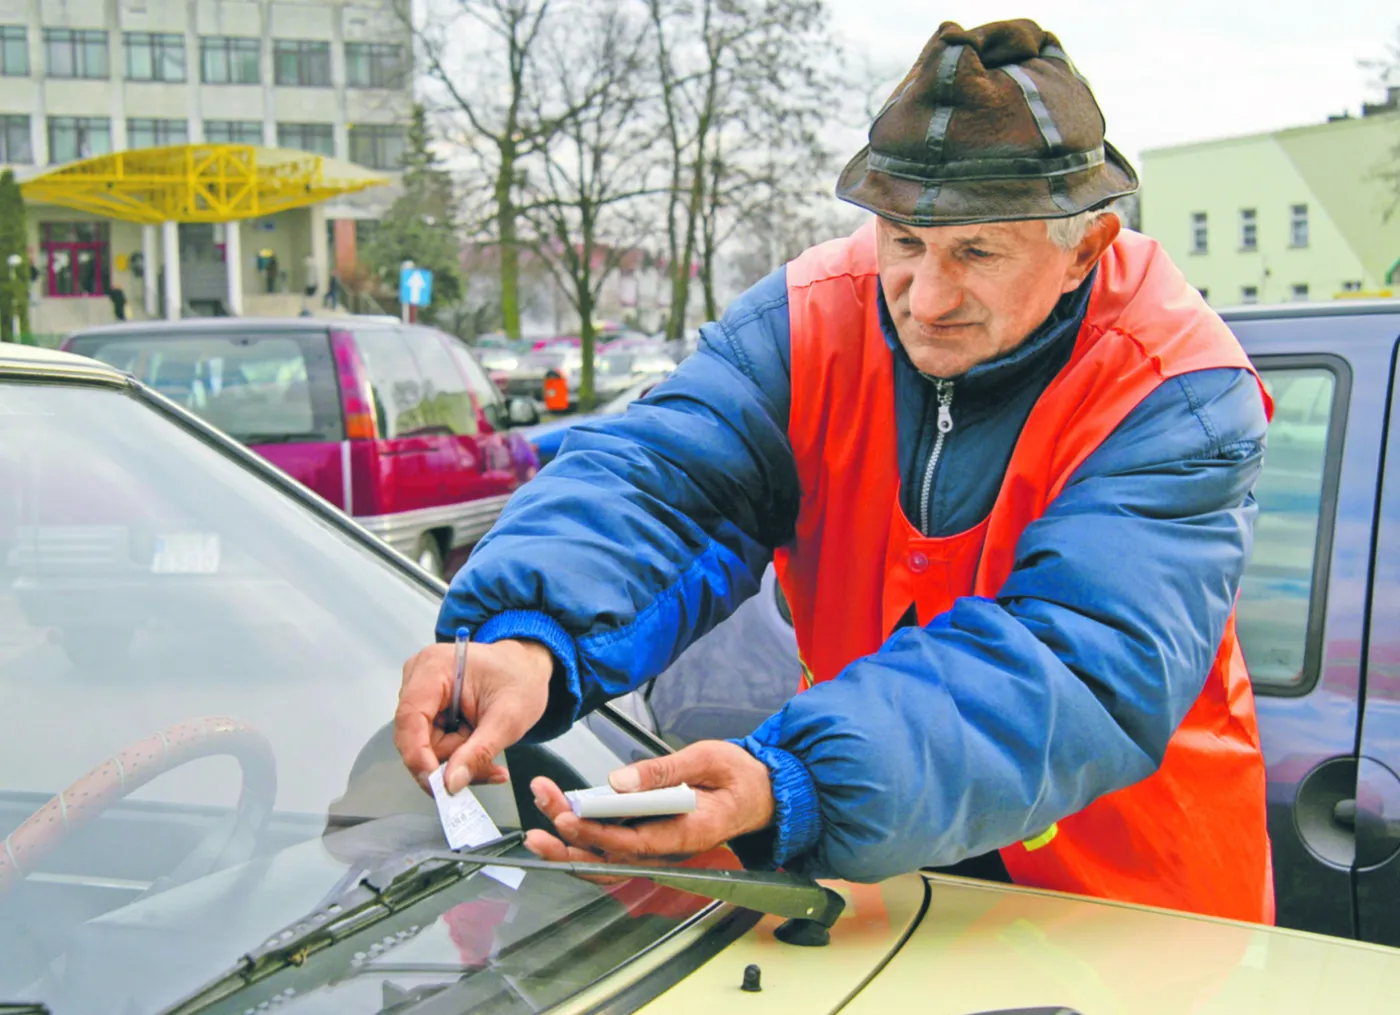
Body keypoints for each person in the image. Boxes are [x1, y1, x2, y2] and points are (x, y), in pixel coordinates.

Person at [394, 19, 1274, 923]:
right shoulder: (808, 319)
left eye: (975, 252)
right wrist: (528, 637)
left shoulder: (1176, 387)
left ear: (1085, 247)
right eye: (902, 242)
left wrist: (799, 779)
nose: (926, 301)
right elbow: (663, 481)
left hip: (1129, 911)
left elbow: (1080, 658)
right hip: (872, 887)